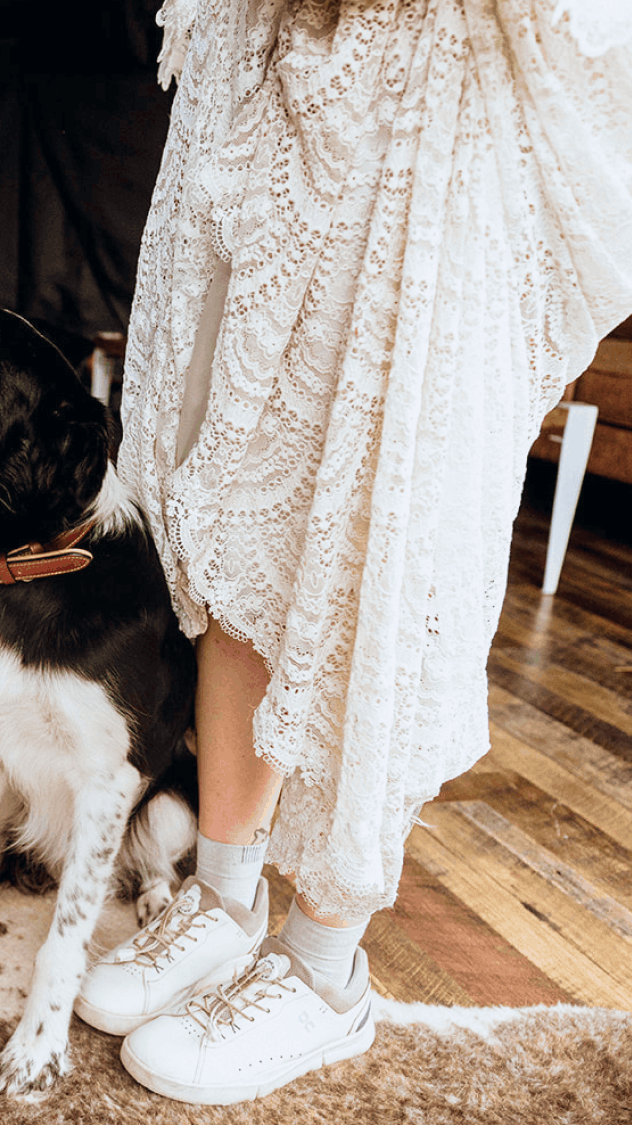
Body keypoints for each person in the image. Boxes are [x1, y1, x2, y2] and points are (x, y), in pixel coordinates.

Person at [72, 0, 632, 1106]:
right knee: (233, 515)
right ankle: (226, 900)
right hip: (266, 72)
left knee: (378, 534)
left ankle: (326, 973)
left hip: (431, 87)